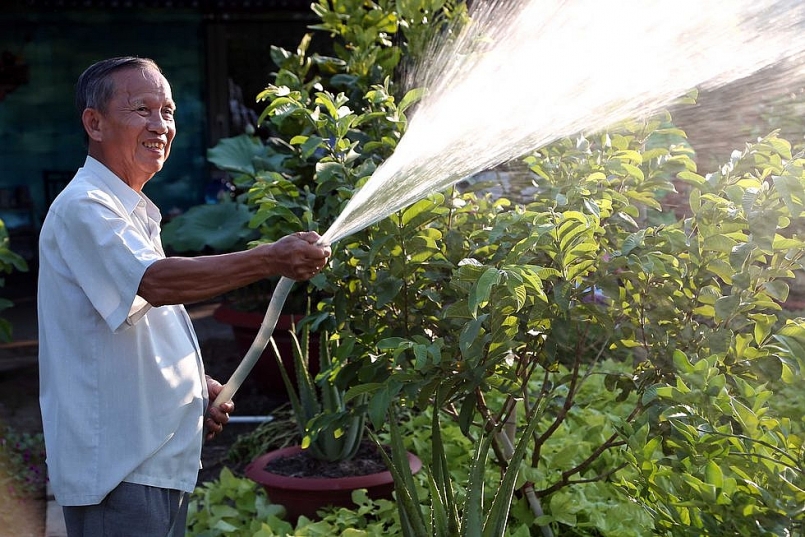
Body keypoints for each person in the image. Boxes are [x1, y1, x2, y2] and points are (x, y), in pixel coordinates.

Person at [37, 56, 331, 536]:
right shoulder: (85, 206)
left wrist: (194, 387)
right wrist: (267, 259)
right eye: (142, 110)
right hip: (121, 471)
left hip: (150, 464)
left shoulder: (126, 211)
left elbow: (134, 326)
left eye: (168, 112)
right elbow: (155, 283)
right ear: (94, 122)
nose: (160, 126)